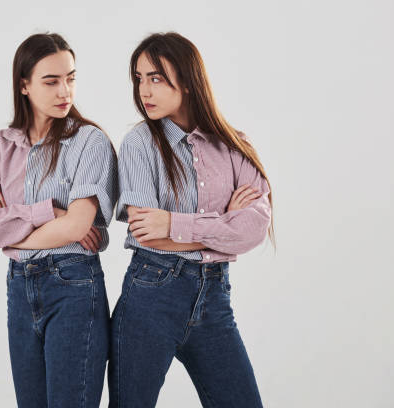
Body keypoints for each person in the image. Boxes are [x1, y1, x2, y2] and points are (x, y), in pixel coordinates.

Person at [109, 32, 275, 408]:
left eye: (156, 77)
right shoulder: (139, 144)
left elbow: (254, 230)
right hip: (150, 297)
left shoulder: (234, 145)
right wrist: (223, 224)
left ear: (186, 80)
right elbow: (145, 233)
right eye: (139, 78)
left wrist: (175, 224)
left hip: (214, 301)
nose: (144, 90)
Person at [0, 33, 117, 408]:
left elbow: (76, 228)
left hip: (74, 286)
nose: (65, 91)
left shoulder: (89, 142)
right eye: (51, 81)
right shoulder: (1, 145)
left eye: (71, 78)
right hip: (19, 288)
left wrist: (6, 233)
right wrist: (45, 213)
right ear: (24, 85)